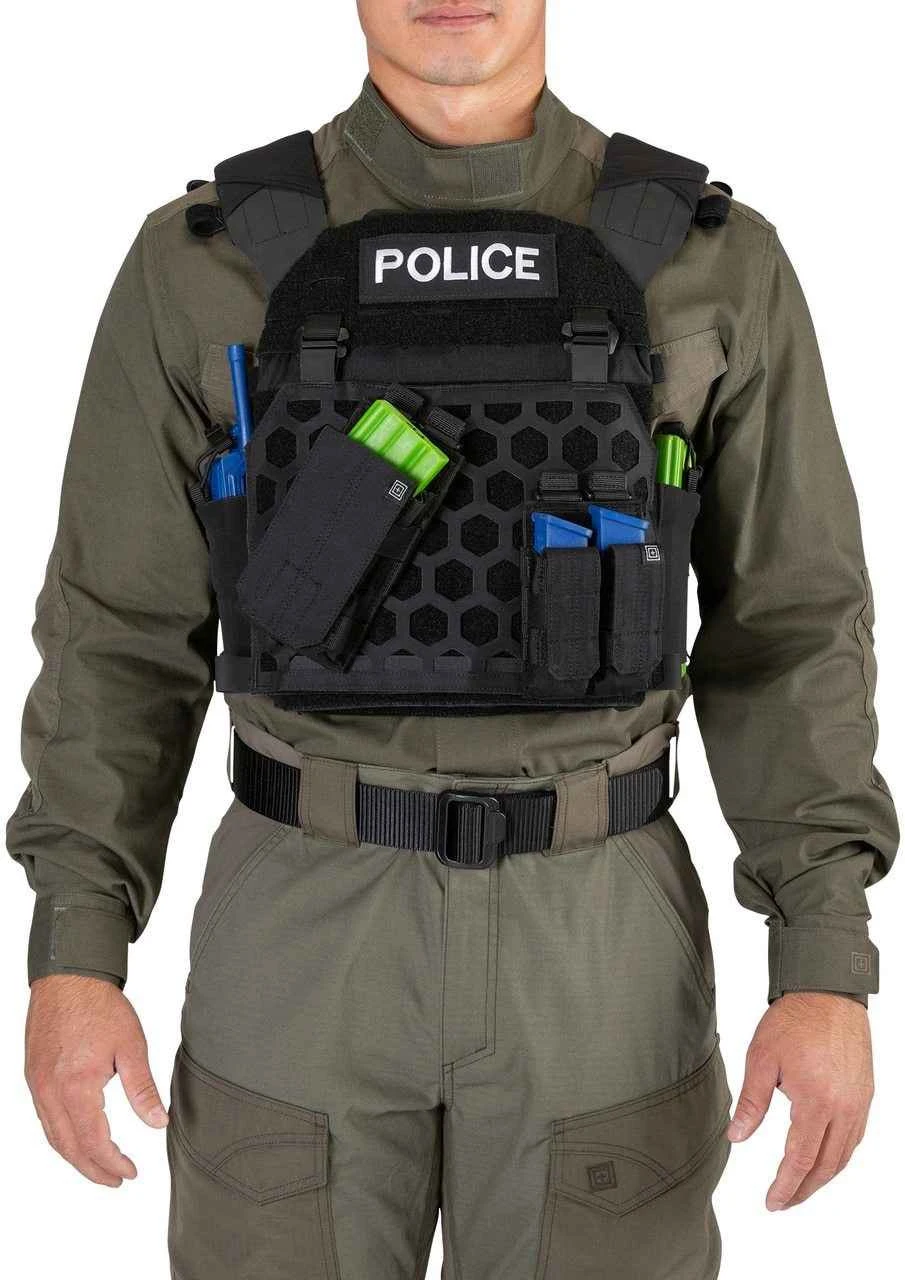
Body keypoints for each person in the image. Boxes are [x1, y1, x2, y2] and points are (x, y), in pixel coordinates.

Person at [9, 2, 897, 1277]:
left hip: (599, 939)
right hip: (297, 926)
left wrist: (822, 957)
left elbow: (793, 629)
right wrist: (76, 947)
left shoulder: (714, 260)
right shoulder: (199, 261)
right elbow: (117, 632)